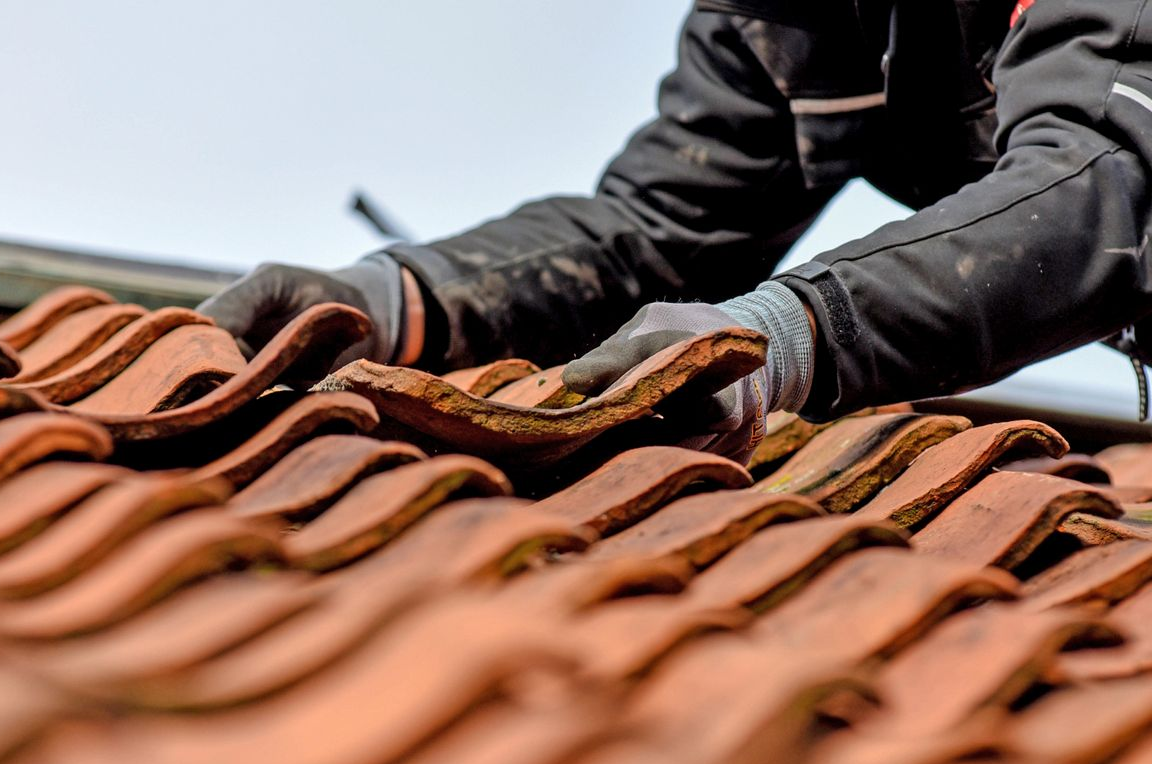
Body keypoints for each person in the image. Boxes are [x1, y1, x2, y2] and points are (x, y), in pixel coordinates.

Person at [198, 0, 1152, 465]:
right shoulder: (787, 20)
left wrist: (783, 337)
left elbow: (1106, 187)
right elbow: (666, 232)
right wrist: (388, 303)